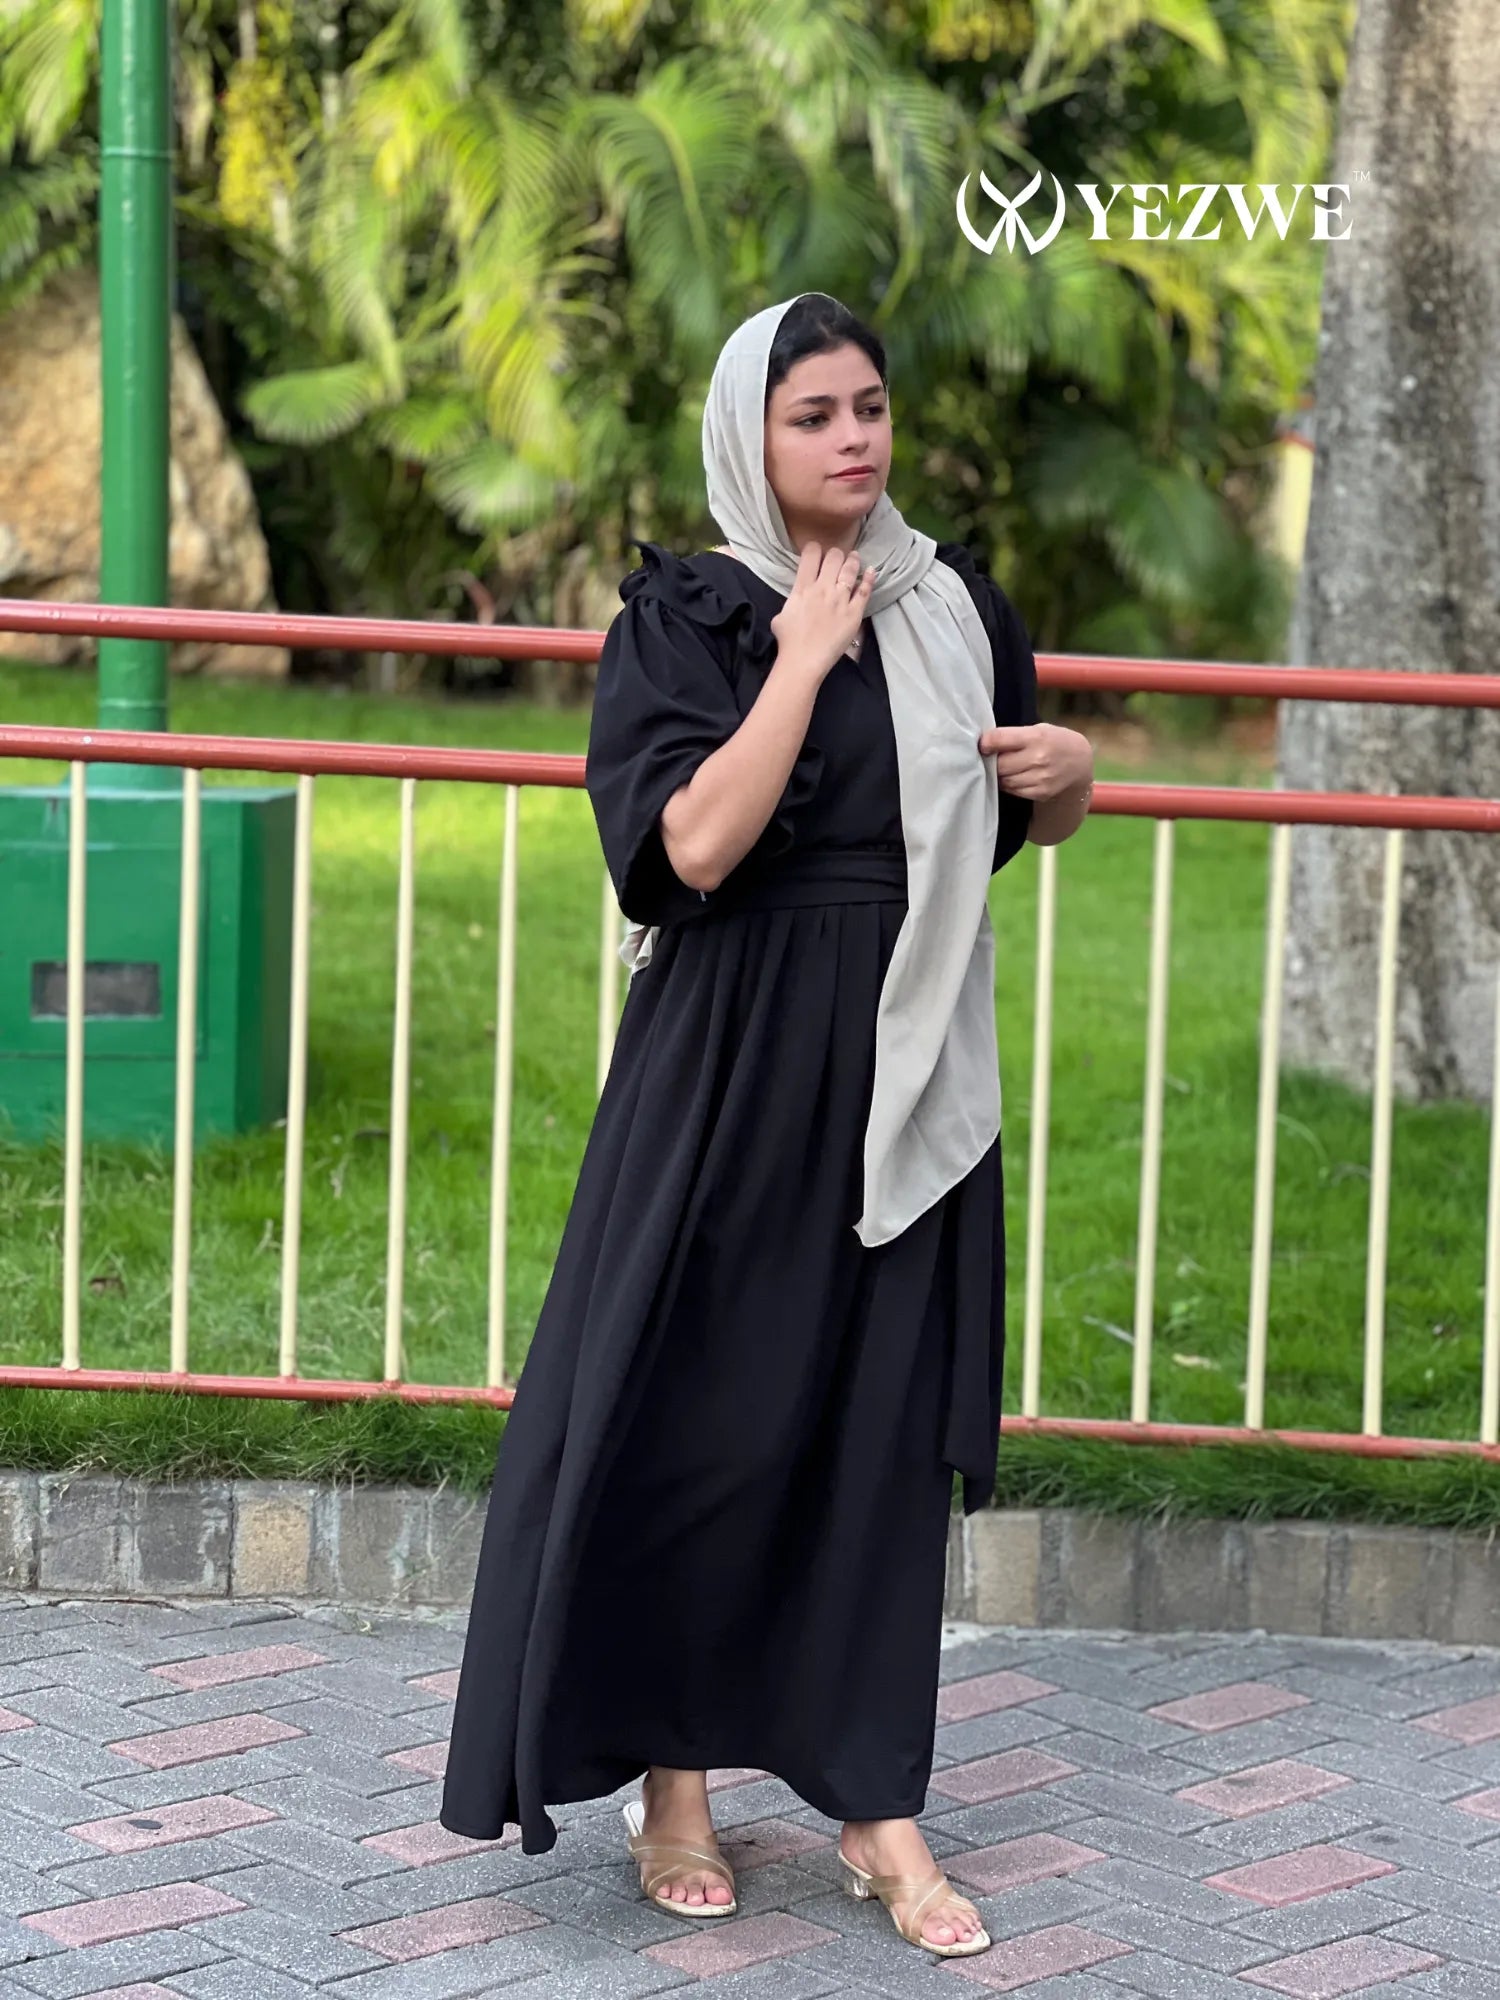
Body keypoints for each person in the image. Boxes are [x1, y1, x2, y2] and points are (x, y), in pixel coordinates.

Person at [438, 292, 1094, 1960]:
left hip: (906, 1059)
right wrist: (800, 656)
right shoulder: (688, 619)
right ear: (752, 433)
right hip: (732, 1065)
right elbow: (692, 849)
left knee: (874, 1437)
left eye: (871, 406)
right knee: (707, 1421)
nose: (856, 439)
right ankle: (675, 1782)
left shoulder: (951, 604)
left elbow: (1000, 816)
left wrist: (1073, 775)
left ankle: (879, 1810)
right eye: (815, 414)